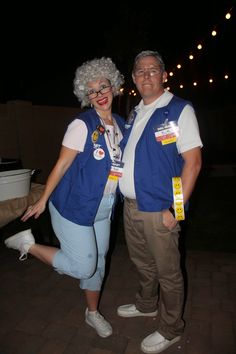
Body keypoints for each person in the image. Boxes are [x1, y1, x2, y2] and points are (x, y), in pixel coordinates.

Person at [4, 57, 125, 338]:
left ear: (114, 86)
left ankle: (92, 313)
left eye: (103, 87)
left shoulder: (120, 124)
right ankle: (27, 244)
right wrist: (43, 199)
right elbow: (61, 164)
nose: (99, 95)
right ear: (86, 95)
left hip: (104, 205)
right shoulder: (81, 124)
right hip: (74, 204)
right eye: (92, 90)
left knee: (99, 261)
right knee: (84, 264)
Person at [117, 50, 203, 353]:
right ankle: (146, 305)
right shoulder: (136, 111)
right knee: (142, 264)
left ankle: (171, 328)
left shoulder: (179, 110)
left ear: (164, 75)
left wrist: (175, 210)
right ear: (134, 79)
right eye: (140, 71)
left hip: (160, 211)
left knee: (168, 272)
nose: (146, 75)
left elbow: (192, 164)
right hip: (131, 206)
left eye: (153, 70)